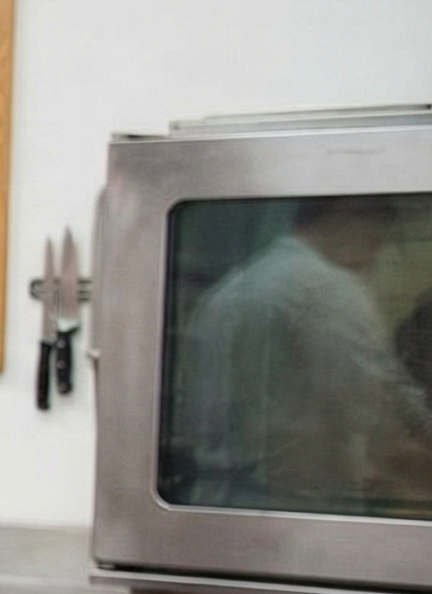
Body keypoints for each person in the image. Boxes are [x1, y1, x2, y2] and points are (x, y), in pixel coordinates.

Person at [175, 195, 432, 512]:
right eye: (376, 239)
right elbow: (378, 400)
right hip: (295, 511)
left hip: (213, 504)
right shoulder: (328, 289)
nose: (373, 257)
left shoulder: (232, 288)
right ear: (347, 220)